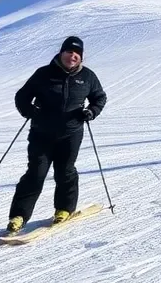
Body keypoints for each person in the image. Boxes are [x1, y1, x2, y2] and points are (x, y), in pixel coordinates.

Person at [6, 35, 107, 234]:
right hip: (41, 134)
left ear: (81, 58)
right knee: (36, 173)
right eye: (69, 52)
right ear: (61, 53)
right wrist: (29, 110)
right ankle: (18, 217)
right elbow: (22, 96)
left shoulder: (87, 77)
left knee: (65, 171)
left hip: (71, 134)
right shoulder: (43, 74)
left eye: (77, 54)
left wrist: (91, 112)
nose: (72, 56)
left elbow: (99, 98)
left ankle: (64, 209)